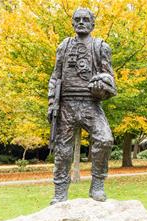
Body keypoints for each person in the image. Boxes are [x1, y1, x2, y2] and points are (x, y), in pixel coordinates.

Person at [48, 8, 116, 205]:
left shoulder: (101, 47)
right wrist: (52, 103)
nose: (81, 22)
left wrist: (102, 83)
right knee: (62, 150)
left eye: (86, 19)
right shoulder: (64, 46)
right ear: (72, 23)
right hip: (66, 104)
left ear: (93, 24)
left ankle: (97, 186)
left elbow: (110, 79)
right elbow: (55, 76)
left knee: (104, 139)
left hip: (90, 104)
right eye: (77, 19)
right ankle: (60, 192)